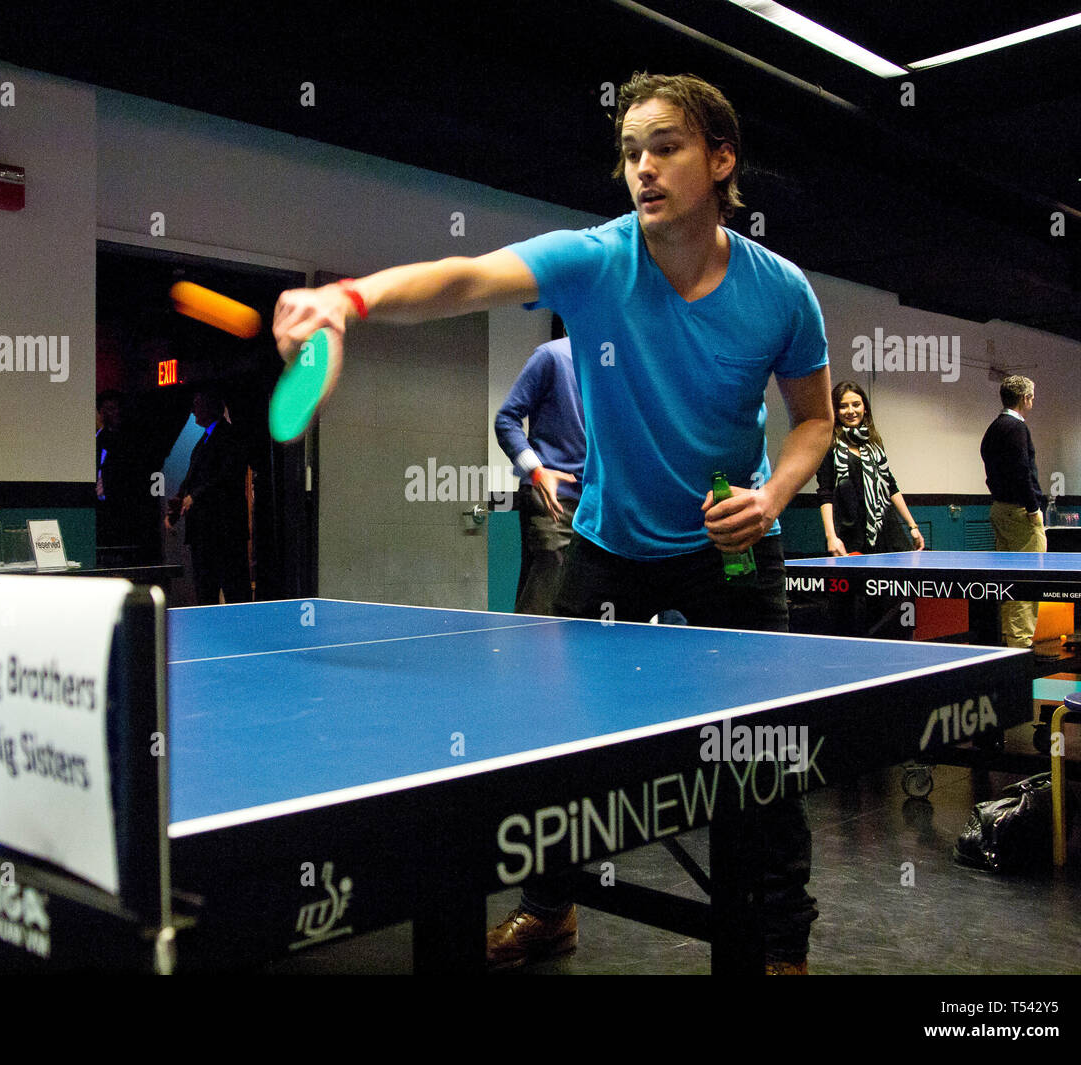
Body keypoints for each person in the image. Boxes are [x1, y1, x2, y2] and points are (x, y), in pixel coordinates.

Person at [273, 72, 833, 974]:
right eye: (629, 152)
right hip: (610, 540)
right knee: (558, 743)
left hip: (733, 542)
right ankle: (548, 909)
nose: (642, 168)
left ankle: (780, 943)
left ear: (720, 159)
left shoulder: (781, 292)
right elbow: (468, 277)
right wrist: (352, 298)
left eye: (665, 146)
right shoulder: (600, 260)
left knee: (765, 750)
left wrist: (772, 499)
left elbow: (815, 418)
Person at [494, 334, 585, 615]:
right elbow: (506, 419)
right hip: (554, 500)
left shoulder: (615, 370)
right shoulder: (551, 356)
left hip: (599, 506)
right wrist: (535, 471)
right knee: (544, 604)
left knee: (585, 605)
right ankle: (528, 658)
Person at [817, 381, 923, 556]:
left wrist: (912, 526)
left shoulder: (874, 442)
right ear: (835, 411)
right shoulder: (828, 444)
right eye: (843, 406)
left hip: (884, 528)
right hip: (849, 533)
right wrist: (831, 537)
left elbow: (891, 486)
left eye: (856, 404)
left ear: (865, 408)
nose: (850, 411)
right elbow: (825, 493)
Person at [167, 389, 252, 605]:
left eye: (198, 403)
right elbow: (191, 478)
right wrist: (177, 505)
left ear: (212, 406)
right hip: (203, 533)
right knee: (205, 590)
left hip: (225, 531)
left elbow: (226, 476)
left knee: (234, 590)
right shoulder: (203, 442)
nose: (193, 409)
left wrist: (194, 497)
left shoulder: (230, 437)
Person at [981, 375, 1046, 648]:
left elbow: (987, 460)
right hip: (1020, 513)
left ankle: (1010, 642)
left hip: (999, 509)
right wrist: (1032, 508)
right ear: (1025, 399)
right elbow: (1022, 470)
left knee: (1009, 579)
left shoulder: (994, 427)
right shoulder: (1017, 427)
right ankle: (1021, 645)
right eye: (1031, 398)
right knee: (1028, 580)